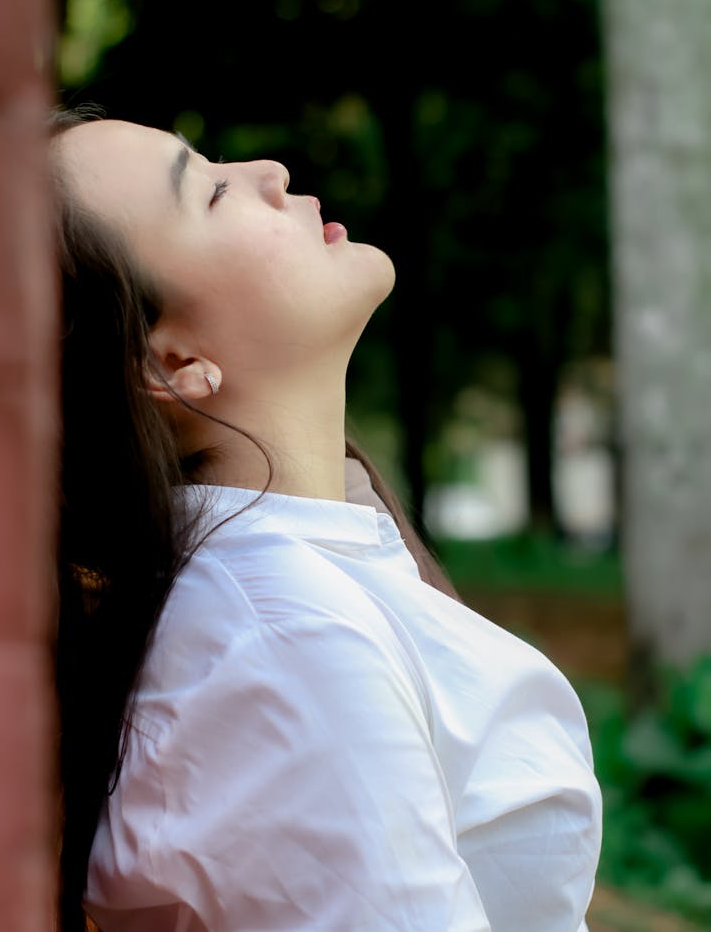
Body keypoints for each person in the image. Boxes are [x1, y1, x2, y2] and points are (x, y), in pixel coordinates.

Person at [51, 106, 602, 932]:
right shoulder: (282, 637)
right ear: (171, 363)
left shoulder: (300, 578)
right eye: (206, 194)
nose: (268, 172)